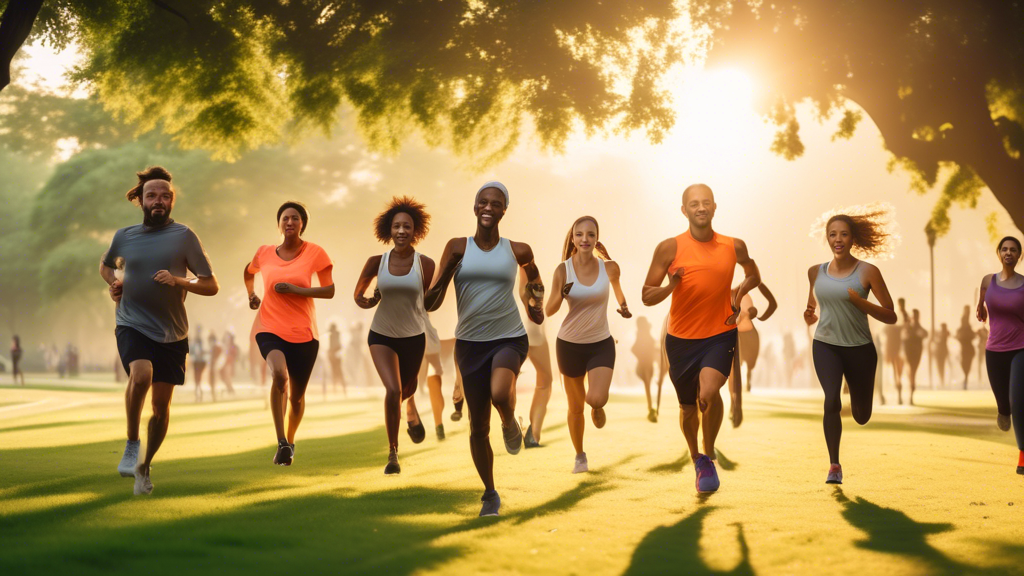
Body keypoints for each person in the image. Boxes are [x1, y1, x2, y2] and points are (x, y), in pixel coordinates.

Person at [424, 181, 543, 516]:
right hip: (470, 344)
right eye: (483, 202)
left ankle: (509, 421)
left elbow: (534, 278)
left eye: (496, 203)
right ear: (475, 207)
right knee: (478, 426)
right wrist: (447, 269)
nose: (488, 207)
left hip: (509, 337)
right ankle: (490, 494)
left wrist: (536, 304)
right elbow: (432, 302)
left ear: (505, 209)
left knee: (501, 393)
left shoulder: (517, 249)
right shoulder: (457, 247)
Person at [99, 166, 218, 495]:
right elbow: (106, 265)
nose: (159, 201)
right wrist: (114, 283)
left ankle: (145, 466)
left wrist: (179, 280)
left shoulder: (184, 236)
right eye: (152, 195)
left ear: (172, 200)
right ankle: (132, 443)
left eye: (165, 196)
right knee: (141, 375)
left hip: (172, 333)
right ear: (140, 200)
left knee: (162, 409)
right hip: (131, 322)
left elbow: (211, 285)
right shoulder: (124, 236)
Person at [641, 184, 760, 494]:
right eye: (694, 204)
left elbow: (753, 274)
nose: (700, 208)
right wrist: (672, 284)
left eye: (706, 202)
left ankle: (709, 451)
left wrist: (739, 292)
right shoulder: (669, 248)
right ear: (684, 210)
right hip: (680, 339)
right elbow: (646, 295)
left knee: (707, 392)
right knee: (688, 408)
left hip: (721, 332)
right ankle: (697, 457)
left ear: (715, 207)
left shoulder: (734, 246)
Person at [803, 208, 897, 484]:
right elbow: (810, 308)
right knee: (831, 399)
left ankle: (860, 406)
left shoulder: (867, 271)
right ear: (827, 239)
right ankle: (834, 465)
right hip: (826, 345)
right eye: (832, 234)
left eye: (843, 234)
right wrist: (809, 315)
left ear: (853, 239)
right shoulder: (815, 272)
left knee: (861, 415)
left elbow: (890, 314)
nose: (838, 239)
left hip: (860, 349)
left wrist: (861, 303)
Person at [245, 201, 334, 466]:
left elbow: (328, 290)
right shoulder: (264, 253)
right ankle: (281, 441)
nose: (290, 222)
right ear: (279, 223)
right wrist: (252, 295)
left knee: (296, 397)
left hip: (305, 333)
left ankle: (291, 441)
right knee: (279, 375)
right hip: (269, 327)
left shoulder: (315, 252)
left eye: (295, 218)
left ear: (302, 223)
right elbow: (248, 273)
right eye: (285, 218)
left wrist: (296, 290)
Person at [354, 196, 436, 475]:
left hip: (414, 337)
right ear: (389, 230)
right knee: (392, 389)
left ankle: (410, 406)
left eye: (407, 227)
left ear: (416, 231)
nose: (402, 231)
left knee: (405, 390)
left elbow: (430, 304)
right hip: (382, 334)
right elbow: (359, 295)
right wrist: (367, 300)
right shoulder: (376, 262)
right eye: (397, 226)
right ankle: (393, 454)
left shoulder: (426, 265)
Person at [545, 216, 630, 473]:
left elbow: (617, 289)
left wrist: (623, 306)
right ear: (573, 238)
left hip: (600, 343)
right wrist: (561, 292)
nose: (585, 239)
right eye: (580, 234)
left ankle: (597, 406)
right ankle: (580, 455)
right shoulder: (563, 270)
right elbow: (549, 310)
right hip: (569, 345)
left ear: (596, 239)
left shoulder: (610, 267)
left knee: (595, 397)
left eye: (590, 235)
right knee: (575, 407)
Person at [976, 236, 1024, 475]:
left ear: (1019, 256)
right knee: (1004, 405)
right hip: (994, 349)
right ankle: (1003, 409)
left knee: (1019, 401)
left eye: (1013, 250)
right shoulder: (988, 280)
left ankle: (1022, 457)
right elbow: (982, 298)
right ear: (999, 253)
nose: (1008, 253)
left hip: (1020, 349)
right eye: (1004, 249)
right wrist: (980, 306)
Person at [728, 283, 777, 427]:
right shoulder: (724, 295)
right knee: (733, 371)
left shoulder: (744, 296)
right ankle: (733, 403)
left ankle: (748, 376)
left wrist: (749, 314)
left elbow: (749, 313)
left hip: (748, 334)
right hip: (734, 336)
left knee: (750, 362)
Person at [519, 268, 555, 448]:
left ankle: (524, 432)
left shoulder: (517, 269)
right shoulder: (526, 271)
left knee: (544, 382)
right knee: (545, 382)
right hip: (529, 334)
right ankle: (531, 434)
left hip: (521, 333)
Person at [417, 312, 447, 439]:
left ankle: (438, 424)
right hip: (422, 341)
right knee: (434, 383)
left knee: (435, 383)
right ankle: (438, 424)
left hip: (428, 343)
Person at [631, 317, 660, 422]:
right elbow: (634, 349)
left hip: (648, 364)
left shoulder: (646, 333)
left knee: (648, 384)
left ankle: (651, 408)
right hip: (644, 364)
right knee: (647, 384)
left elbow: (651, 346)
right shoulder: (641, 334)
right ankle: (650, 408)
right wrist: (641, 357)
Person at [902, 307, 927, 405]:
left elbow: (925, 334)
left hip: (916, 352)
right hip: (909, 352)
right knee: (911, 372)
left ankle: (911, 389)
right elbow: (903, 336)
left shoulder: (918, 328)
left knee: (913, 371)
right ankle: (911, 389)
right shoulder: (908, 327)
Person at [883, 312, 905, 400]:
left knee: (895, 374)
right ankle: (897, 395)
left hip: (893, 354)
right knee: (897, 374)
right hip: (893, 354)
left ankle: (897, 395)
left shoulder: (888, 328)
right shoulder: (897, 328)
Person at [956, 307, 976, 390]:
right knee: (964, 365)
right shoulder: (960, 330)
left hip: (968, 349)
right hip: (964, 350)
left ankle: (966, 378)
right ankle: (965, 378)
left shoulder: (968, 329)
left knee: (967, 365)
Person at [327, 323, 346, 396]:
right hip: (333, 358)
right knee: (334, 372)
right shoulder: (332, 335)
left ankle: (342, 390)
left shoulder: (336, 335)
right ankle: (336, 389)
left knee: (339, 372)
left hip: (337, 357)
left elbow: (340, 346)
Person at [190, 326, 207, 402]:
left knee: (198, 379)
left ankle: (199, 395)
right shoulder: (196, 341)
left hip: (199, 362)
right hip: (197, 362)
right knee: (197, 380)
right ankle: (198, 395)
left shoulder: (201, 341)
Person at [219, 331, 238, 396]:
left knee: (227, 377)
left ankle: (231, 390)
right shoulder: (223, 345)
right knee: (223, 378)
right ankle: (230, 389)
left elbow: (234, 355)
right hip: (223, 364)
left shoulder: (232, 346)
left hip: (229, 363)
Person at [933, 323, 950, 388]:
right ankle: (941, 380)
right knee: (940, 367)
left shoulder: (945, 333)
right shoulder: (940, 333)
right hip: (940, 352)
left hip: (942, 352)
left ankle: (942, 381)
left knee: (941, 367)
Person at [208, 330, 221, 401]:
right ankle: (214, 397)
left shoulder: (216, 347)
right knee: (212, 383)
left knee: (214, 383)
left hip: (215, 367)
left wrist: (216, 364)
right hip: (212, 367)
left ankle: (215, 397)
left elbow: (220, 356)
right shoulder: (211, 347)